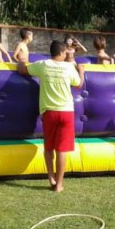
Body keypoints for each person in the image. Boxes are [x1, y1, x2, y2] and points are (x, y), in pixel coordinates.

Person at [17, 40, 85, 192]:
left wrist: (20, 63)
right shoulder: (68, 67)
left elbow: (24, 70)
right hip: (66, 111)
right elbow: (79, 84)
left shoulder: (43, 64)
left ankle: (51, 177)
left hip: (49, 112)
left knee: (49, 147)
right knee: (62, 150)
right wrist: (81, 70)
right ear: (61, 53)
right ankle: (59, 184)